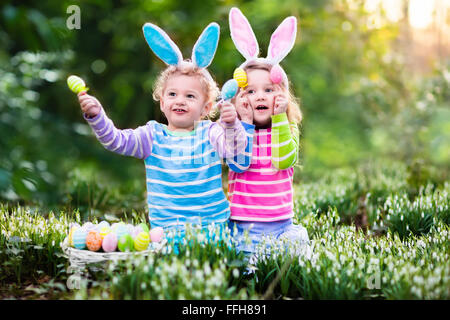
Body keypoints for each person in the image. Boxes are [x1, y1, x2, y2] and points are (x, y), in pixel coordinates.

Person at [76, 21, 254, 252]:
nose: (179, 100)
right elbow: (116, 141)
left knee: (209, 269)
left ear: (206, 107)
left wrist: (231, 125)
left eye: (190, 96)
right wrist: (97, 116)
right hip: (166, 233)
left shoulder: (211, 133)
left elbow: (234, 149)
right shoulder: (152, 136)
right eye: (172, 94)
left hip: (213, 229)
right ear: (162, 102)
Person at [227, 8, 310, 261]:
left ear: (282, 96)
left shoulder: (287, 129)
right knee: (240, 265)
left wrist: (278, 118)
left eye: (268, 90)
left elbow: (282, 159)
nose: (260, 96)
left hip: (280, 225)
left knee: (292, 258)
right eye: (250, 91)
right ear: (239, 99)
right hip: (242, 226)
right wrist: (245, 123)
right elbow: (238, 164)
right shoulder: (235, 131)